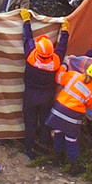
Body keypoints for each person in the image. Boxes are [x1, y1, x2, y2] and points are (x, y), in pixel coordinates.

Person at [21, 10, 70, 159]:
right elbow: (62, 46)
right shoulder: (55, 61)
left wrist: (26, 21)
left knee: (29, 123)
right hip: (47, 95)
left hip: (30, 94)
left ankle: (29, 150)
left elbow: (27, 38)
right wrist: (65, 31)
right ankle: (44, 146)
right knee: (44, 122)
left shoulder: (31, 56)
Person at [46, 63, 92, 174]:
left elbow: (59, 77)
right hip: (72, 116)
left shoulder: (74, 76)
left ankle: (57, 159)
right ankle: (74, 166)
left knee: (58, 133)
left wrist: (64, 65)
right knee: (71, 140)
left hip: (58, 110)